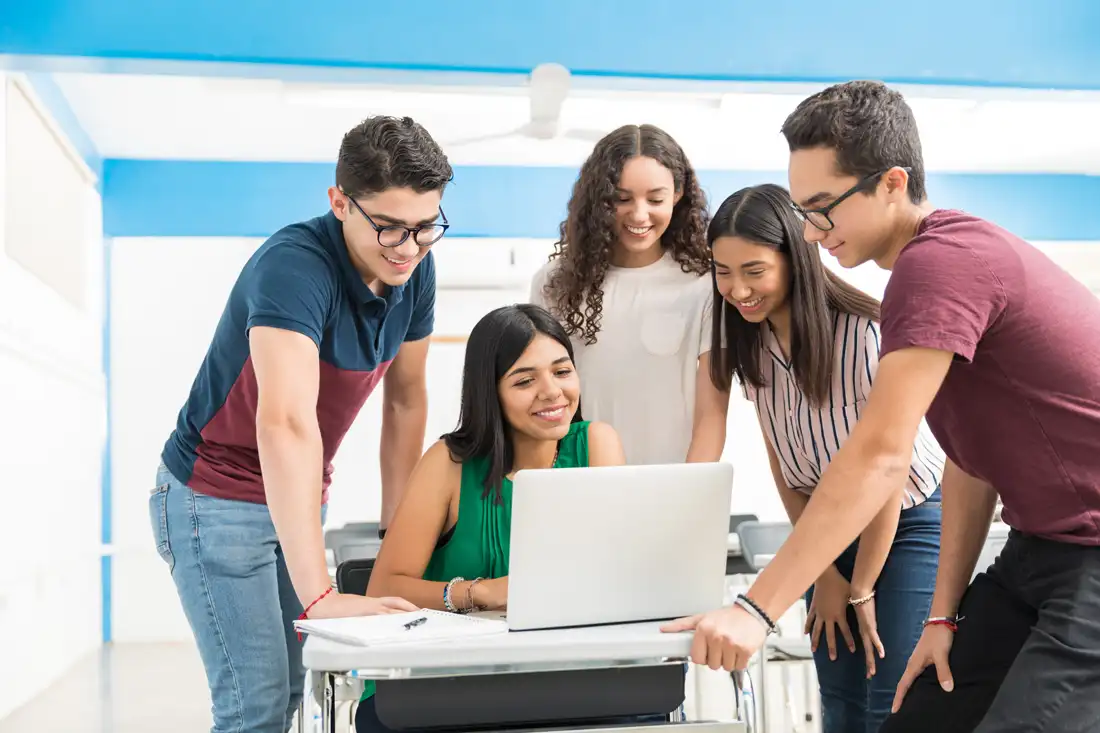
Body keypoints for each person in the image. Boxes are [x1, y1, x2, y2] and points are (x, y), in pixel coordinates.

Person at [663, 80, 1100, 732]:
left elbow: (879, 456)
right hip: (1037, 552)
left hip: (1089, 557)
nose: (811, 234)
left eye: (822, 208)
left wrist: (755, 610)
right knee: (918, 715)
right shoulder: (929, 279)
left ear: (892, 183)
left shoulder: (938, 264)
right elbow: (969, 464)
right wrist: (944, 617)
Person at [150, 115, 451, 733]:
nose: (408, 247)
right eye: (389, 227)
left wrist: (397, 534)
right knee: (254, 705)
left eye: (425, 227)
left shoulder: (415, 270)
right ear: (340, 202)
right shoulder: (294, 266)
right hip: (215, 495)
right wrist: (320, 595)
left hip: (295, 494)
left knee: (294, 686)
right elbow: (285, 422)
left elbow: (405, 401)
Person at [705, 182, 944, 732]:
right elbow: (782, 457)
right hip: (824, 526)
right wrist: (824, 574)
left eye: (754, 270)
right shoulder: (751, 342)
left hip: (904, 521)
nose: (738, 289)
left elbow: (886, 473)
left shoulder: (863, 335)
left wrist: (859, 587)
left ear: (797, 256)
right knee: (840, 701)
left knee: (890, 698)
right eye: (723, 271)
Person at [354, 303, 630, 732]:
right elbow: (384, 590)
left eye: (562, 371)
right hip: (443, 684)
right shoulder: (448, 463)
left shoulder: (596, 444)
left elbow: (615, 573)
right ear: (490, 391)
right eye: (524, 380)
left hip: (560, 677)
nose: (552, 392)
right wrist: (481, 593)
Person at [529, 123, 727, 465]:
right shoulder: (555, 281)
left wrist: (691, 493)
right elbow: (539, 398)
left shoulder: (703, 285)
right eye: (621, 199)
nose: (639, 214)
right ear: (600, 201)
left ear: (678, 194)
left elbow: (712, 414)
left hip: (669, 483)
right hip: (576, 480)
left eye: (655, 199)